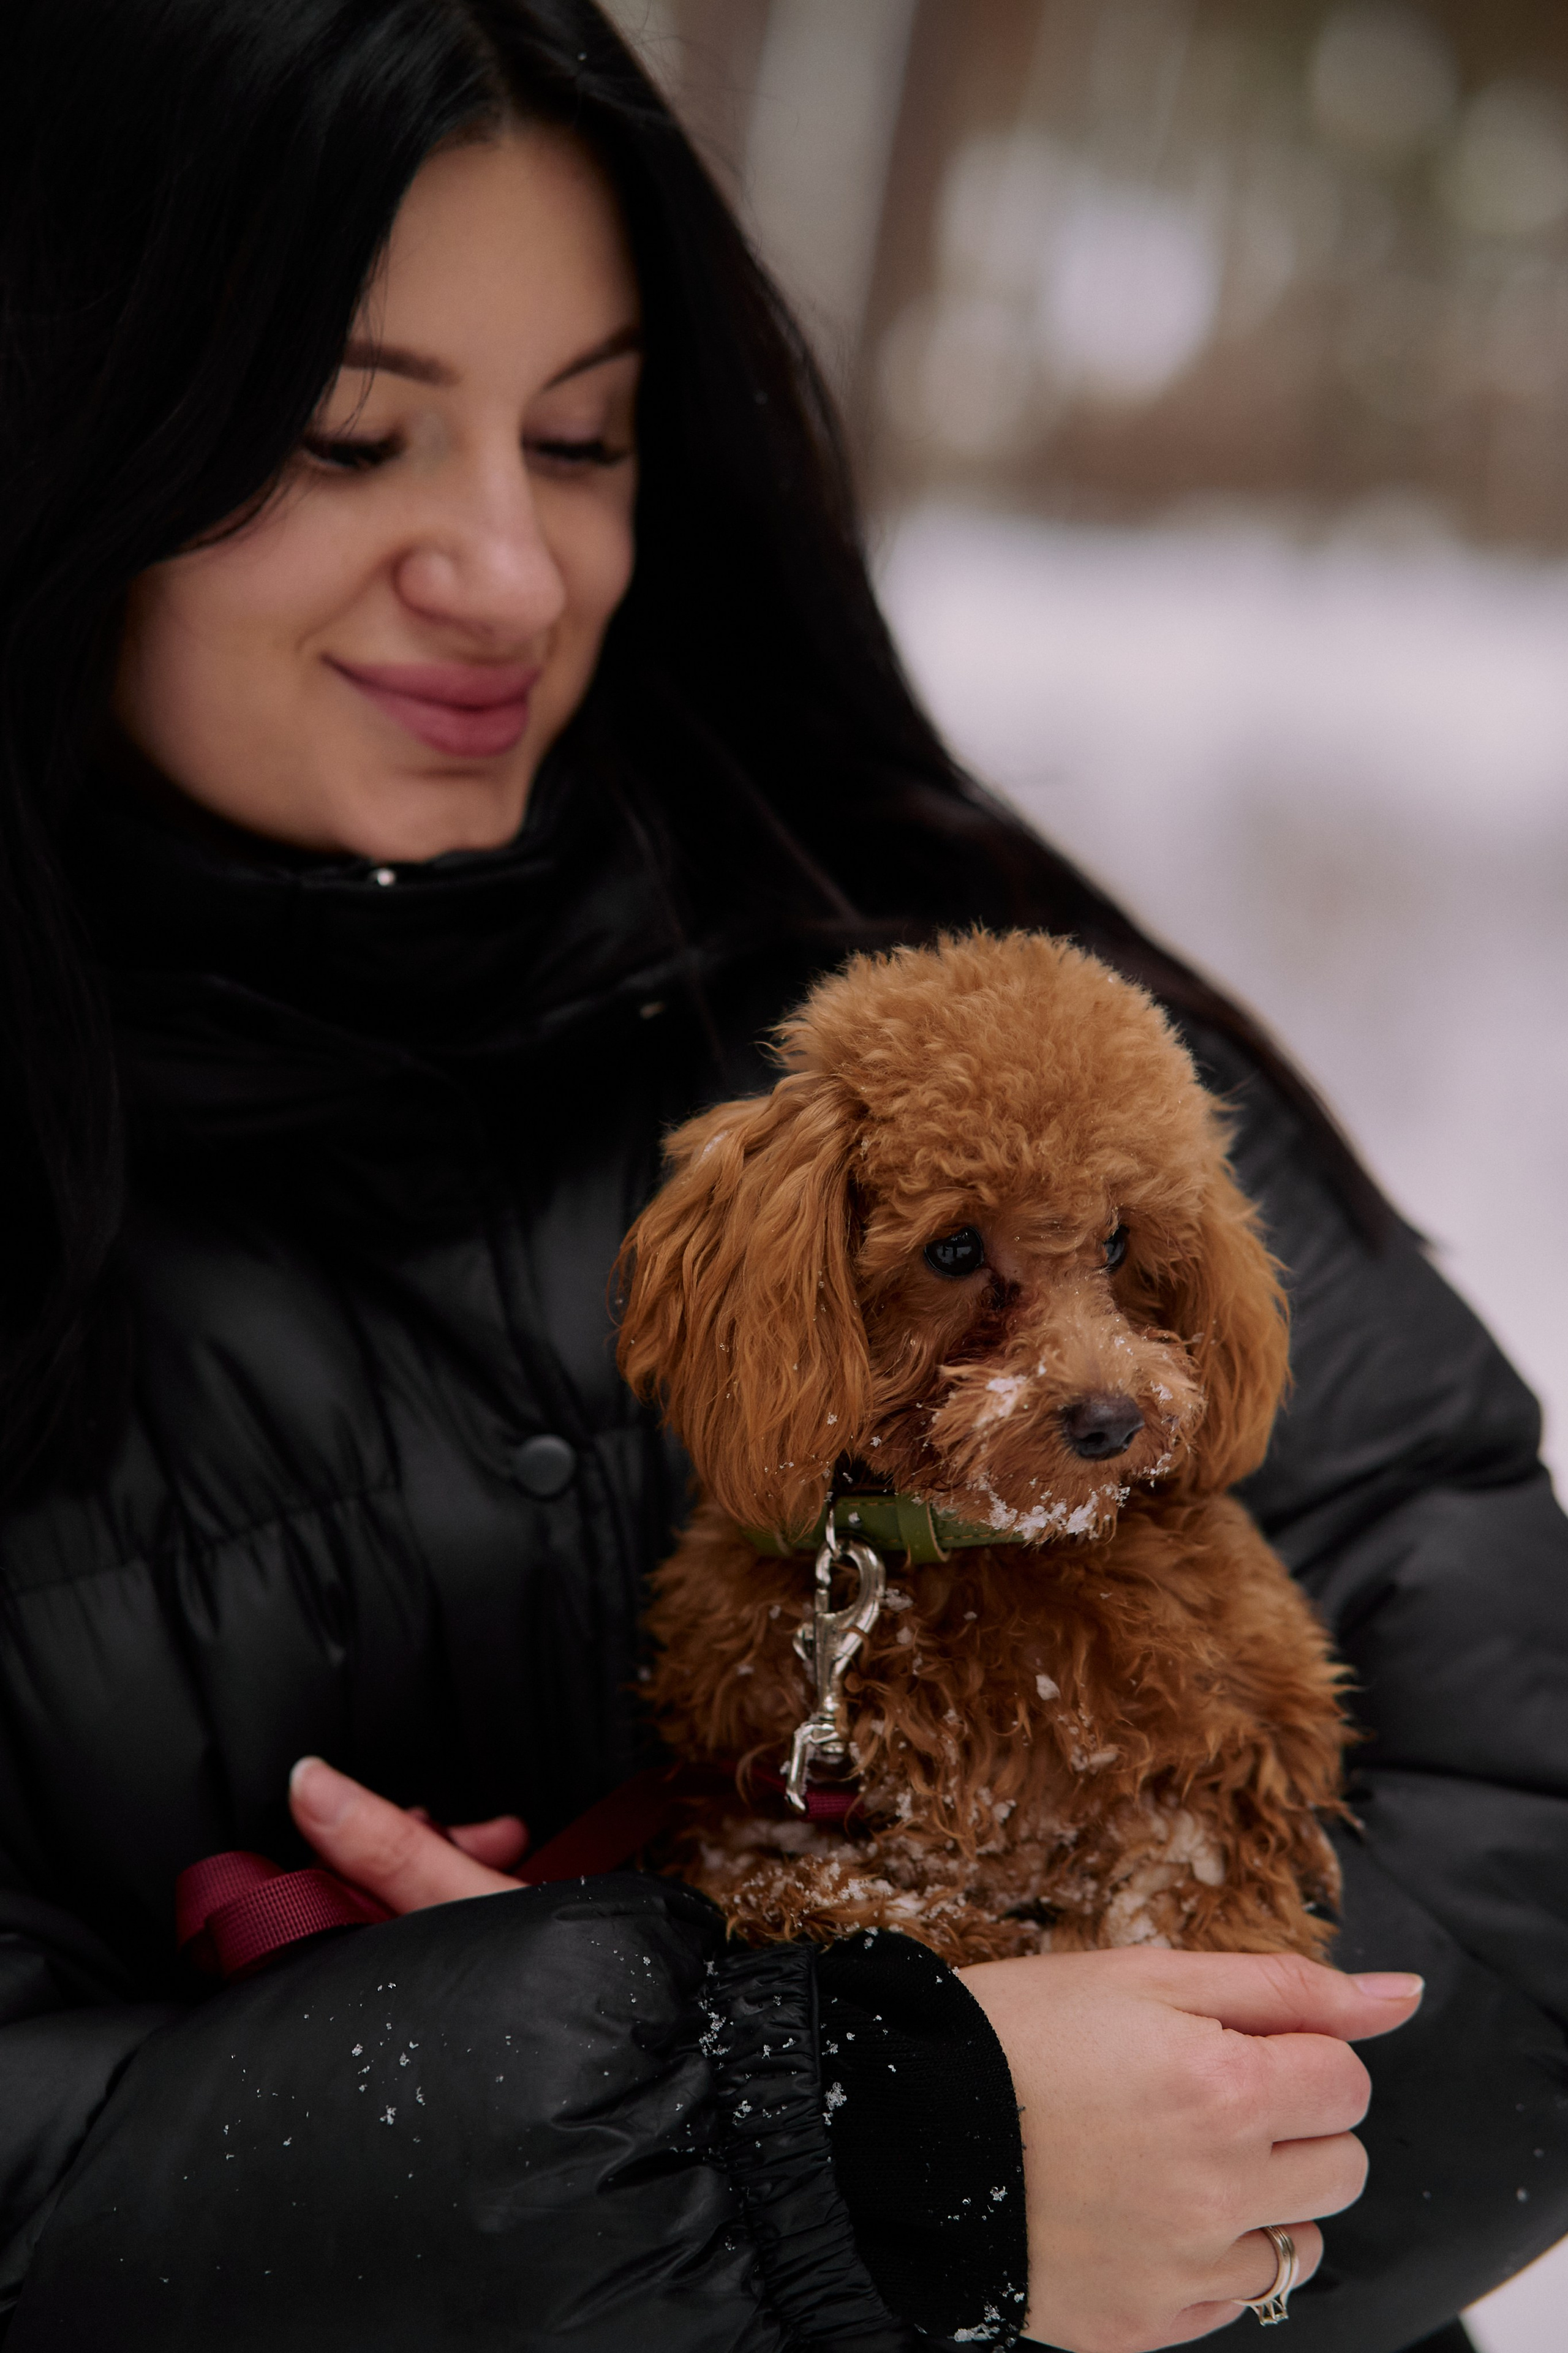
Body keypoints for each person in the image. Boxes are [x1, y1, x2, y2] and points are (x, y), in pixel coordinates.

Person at [0, 2, 1561, 2347]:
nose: (511, 572)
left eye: (583, 436)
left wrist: (1038, 2145)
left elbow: (1530, 1851)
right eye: (346, 433)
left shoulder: (973, 997)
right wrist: (810, 2144)